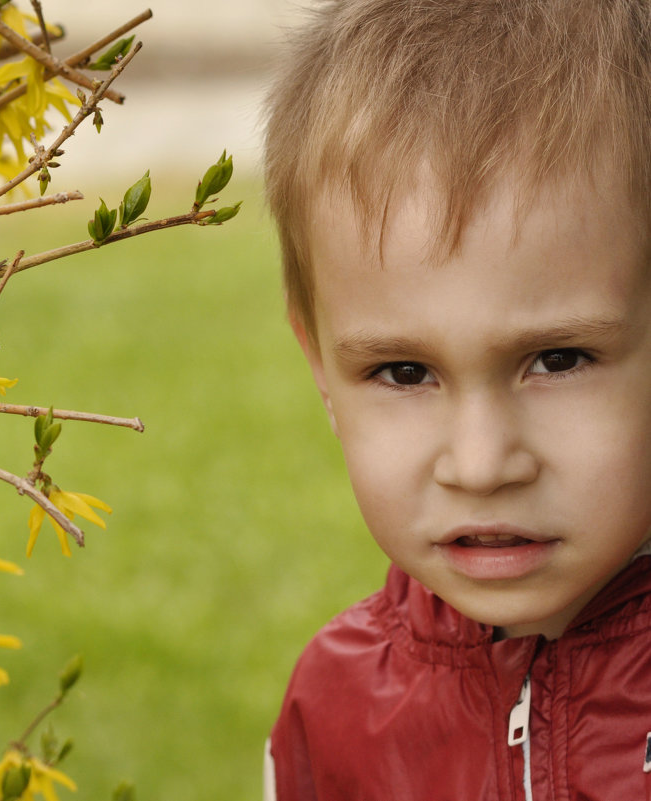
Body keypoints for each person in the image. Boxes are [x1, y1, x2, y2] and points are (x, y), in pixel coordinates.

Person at [260, 1, 651, 798]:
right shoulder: (332, 716)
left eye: (557, 358)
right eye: (403, 372)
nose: (479, 464)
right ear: (321, 369)